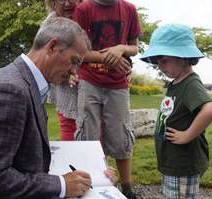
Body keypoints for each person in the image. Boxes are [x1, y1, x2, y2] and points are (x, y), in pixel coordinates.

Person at [0, 17, 95, 199]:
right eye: (75, 61)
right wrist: (61, 185)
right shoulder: (9, 91)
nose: (75, 71)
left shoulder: (25, 83)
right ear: (52, 46)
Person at [140, 24, 212, 199]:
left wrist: (187, 135)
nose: (160, 66)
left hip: (183, 162)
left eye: (164, 60)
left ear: (182, 57)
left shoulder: (190, 83)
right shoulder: (176, 82)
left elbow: (210, 109)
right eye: (158, 61)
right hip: (172, 160)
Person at [72, 0, 141, 198]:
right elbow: (78, 51)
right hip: (89, 82)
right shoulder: (83, 9)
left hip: (118, 84)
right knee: (88, 134)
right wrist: (106, 58)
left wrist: (120, 48)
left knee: (120, 135)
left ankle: (127, 188)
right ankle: (90, 186)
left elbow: (134, 48)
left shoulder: (129, 9)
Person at [45, 0, 82, 141]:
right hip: (65, 86)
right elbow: (46, 58)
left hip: (94, 81)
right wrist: (65, 75)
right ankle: (70, 161)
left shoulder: (91, 15)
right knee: (68, 125)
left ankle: (97, 162)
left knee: (97, 130)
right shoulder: (50, 24)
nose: (67, 3)